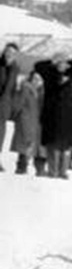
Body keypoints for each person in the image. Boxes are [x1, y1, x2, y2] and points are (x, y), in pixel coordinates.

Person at [35, 53, 72, 179]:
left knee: (66, 147)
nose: (61, 65)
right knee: (53, 145)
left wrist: (71, 59)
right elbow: (38, 66)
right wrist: (51, 60)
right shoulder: (49, 74)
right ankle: (53, 171)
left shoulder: (71, 75)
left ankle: (63, 171)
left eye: (63, 63)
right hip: (52, 115)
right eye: (59, 63)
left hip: (68, 116)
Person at [10, 71, 45, 175]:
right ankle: (21, 167)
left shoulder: (42, 92)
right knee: (24, 143)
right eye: (35, 78)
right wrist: (17, 116)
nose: (36, 81)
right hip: (26, 120)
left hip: (36, 122)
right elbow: (18, 104)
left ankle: (38, 168)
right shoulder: (26, 89)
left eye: (39, 79)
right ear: (30, 78)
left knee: (35, 145)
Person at [0, 42, 20, 172]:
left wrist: (12, 106)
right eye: (8, 52)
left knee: (0, 133)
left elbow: (12, 89)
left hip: (4, 106)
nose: (9, 55)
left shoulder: (15, 68)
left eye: (12, 53)